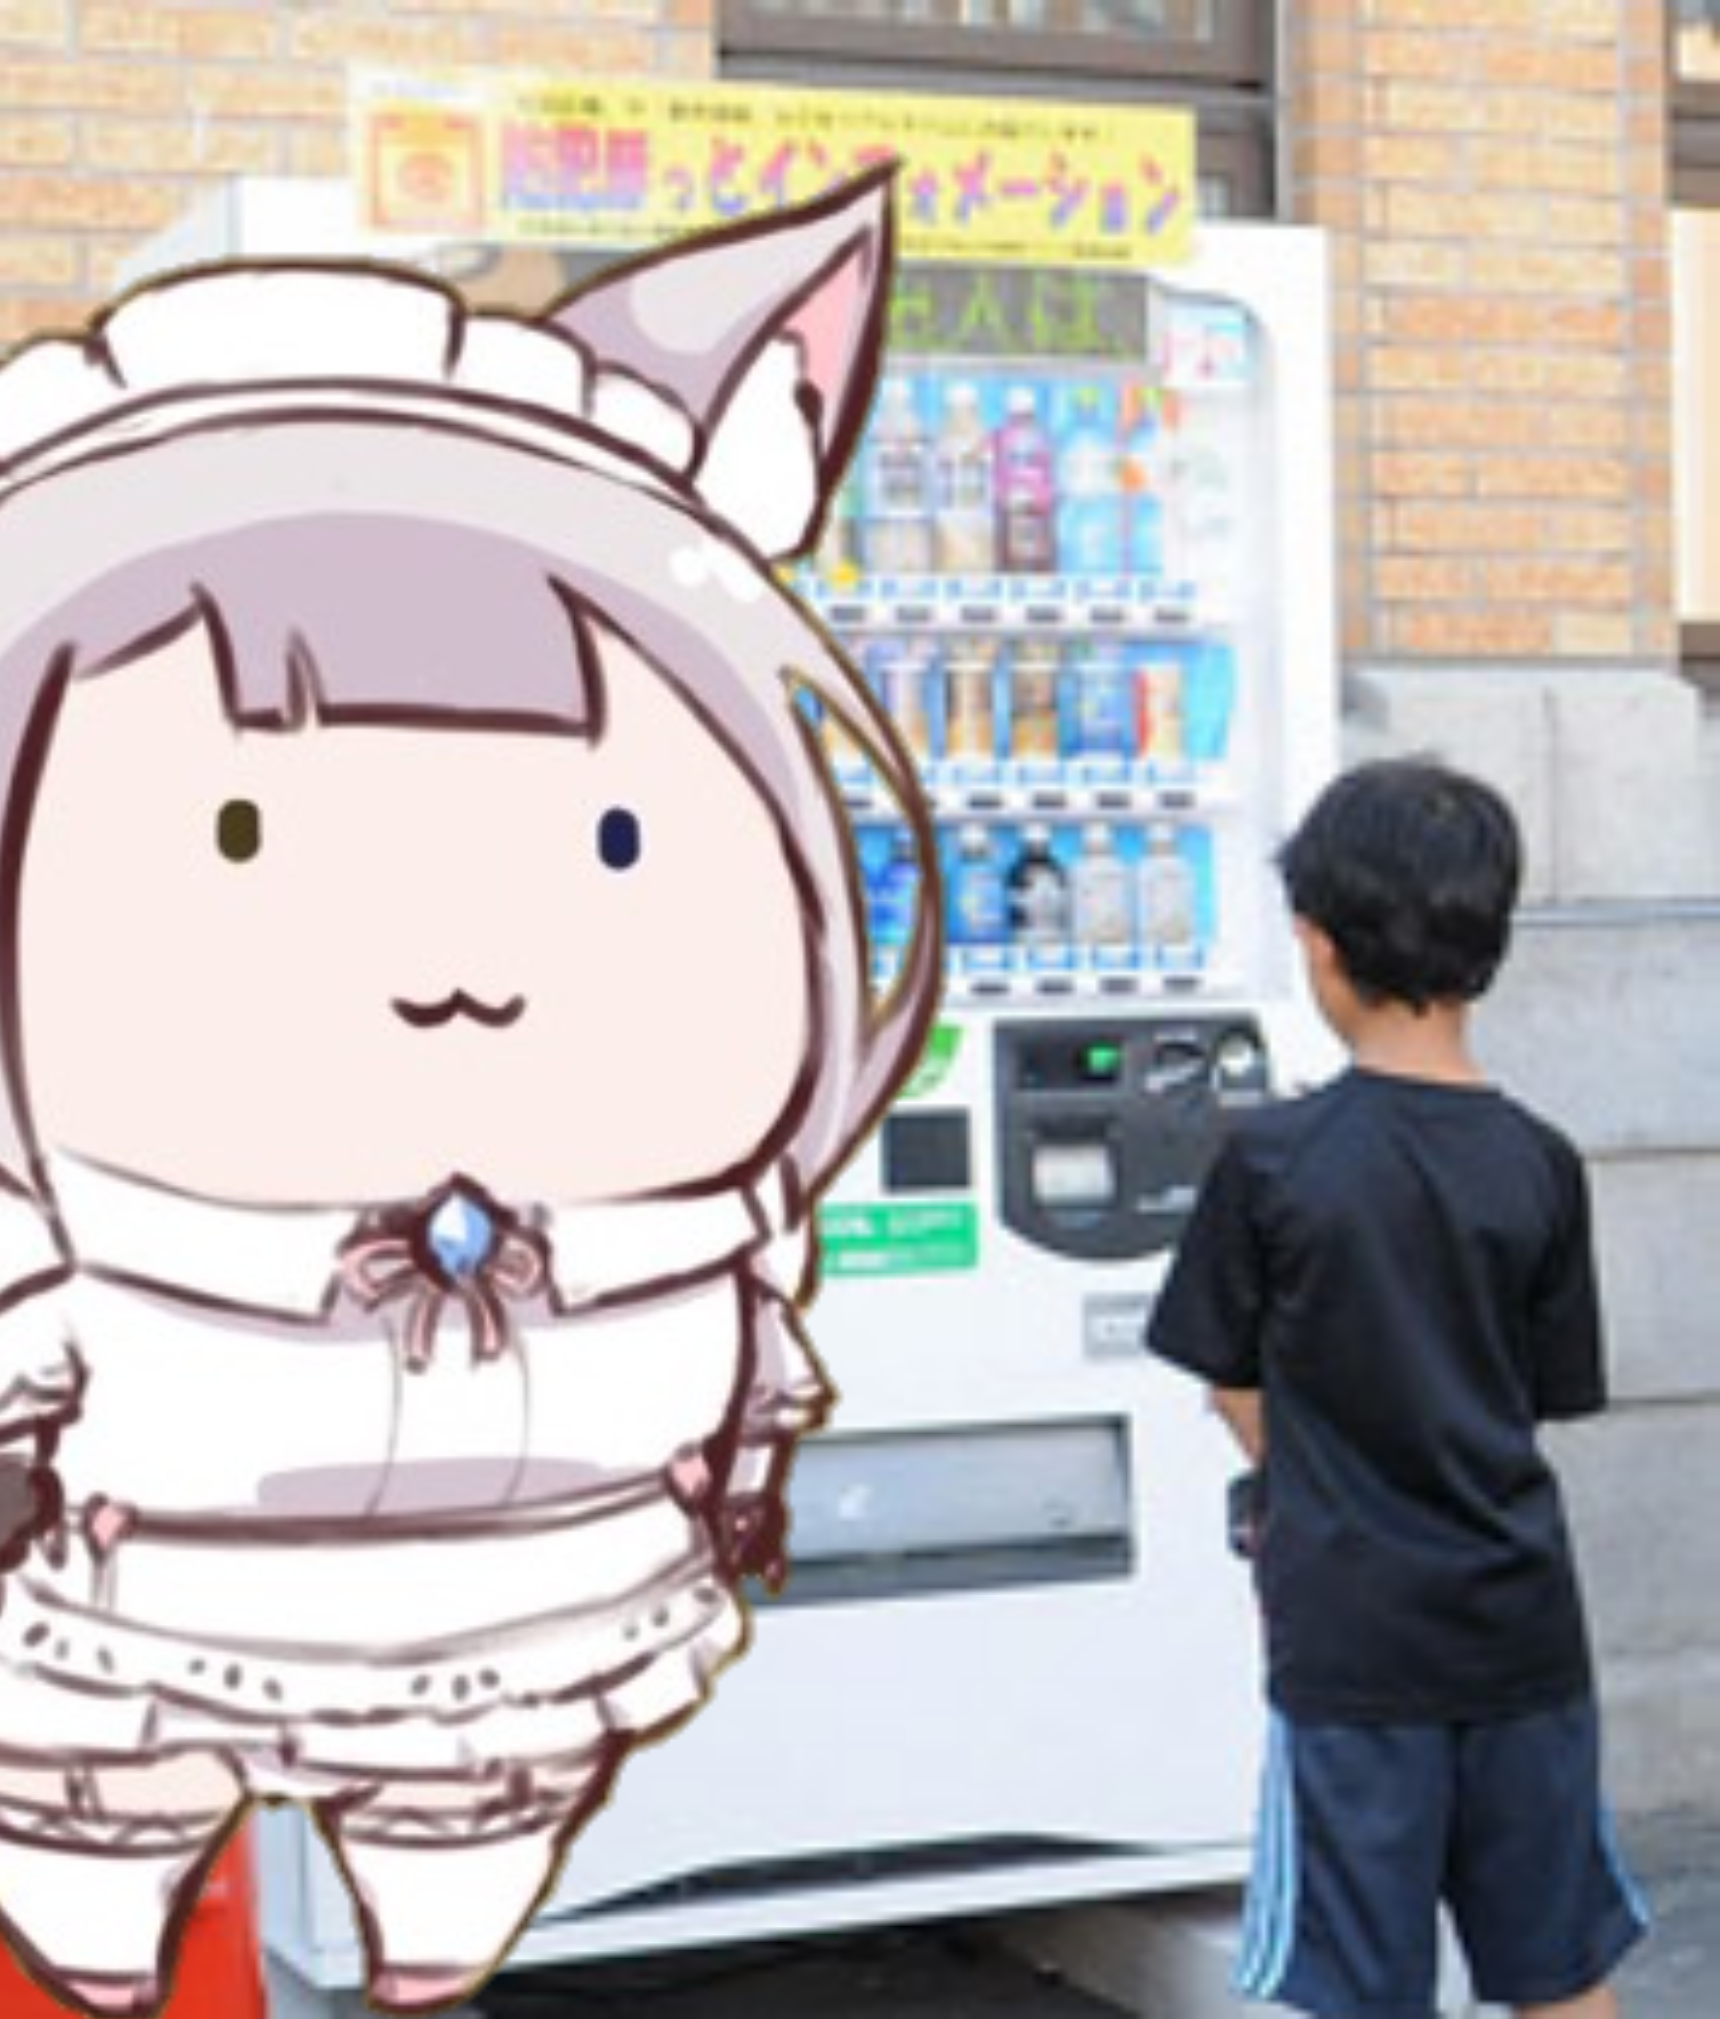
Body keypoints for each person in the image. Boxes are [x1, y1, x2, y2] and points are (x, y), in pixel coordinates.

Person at [0, 171, 942, 2017]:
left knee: (434, 1826)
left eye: (617, 837)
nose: (457, 962)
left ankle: (386, 1904)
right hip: (147, 1629)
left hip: (524, 1636)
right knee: (105, 1819)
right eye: (242, 831)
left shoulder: (702, 1211)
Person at [1146, 759, 1647, 2019]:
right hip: (1521, 1631)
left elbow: (1229, 1380)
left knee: (1356, 1989)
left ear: (1319, 945)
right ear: (1489, 943)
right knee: (1559, 1969)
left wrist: (1312, 1476)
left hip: (1353, 1646)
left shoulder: (1270, 1161)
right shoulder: (1540, 1163)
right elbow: (1541, 1390)